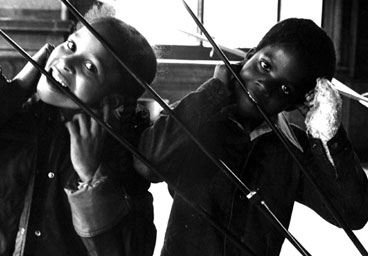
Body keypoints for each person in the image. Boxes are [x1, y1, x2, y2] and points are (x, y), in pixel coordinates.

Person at [135, 18, 368, 256]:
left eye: (285, 89)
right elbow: (147, 164)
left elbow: (353, 213)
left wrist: (329, 133)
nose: (265, 85)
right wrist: (214, 90)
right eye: (265, 66)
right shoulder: (198, 115)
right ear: (249, 56)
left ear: (295, 104)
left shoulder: (293, 152)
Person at [0, 5, 157, 256]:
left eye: (90, 67)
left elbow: (127, 251)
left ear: (113, 100)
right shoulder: (12, 117)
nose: (67, 62)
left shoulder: (121, 155)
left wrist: (91, 177)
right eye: (72, 46)